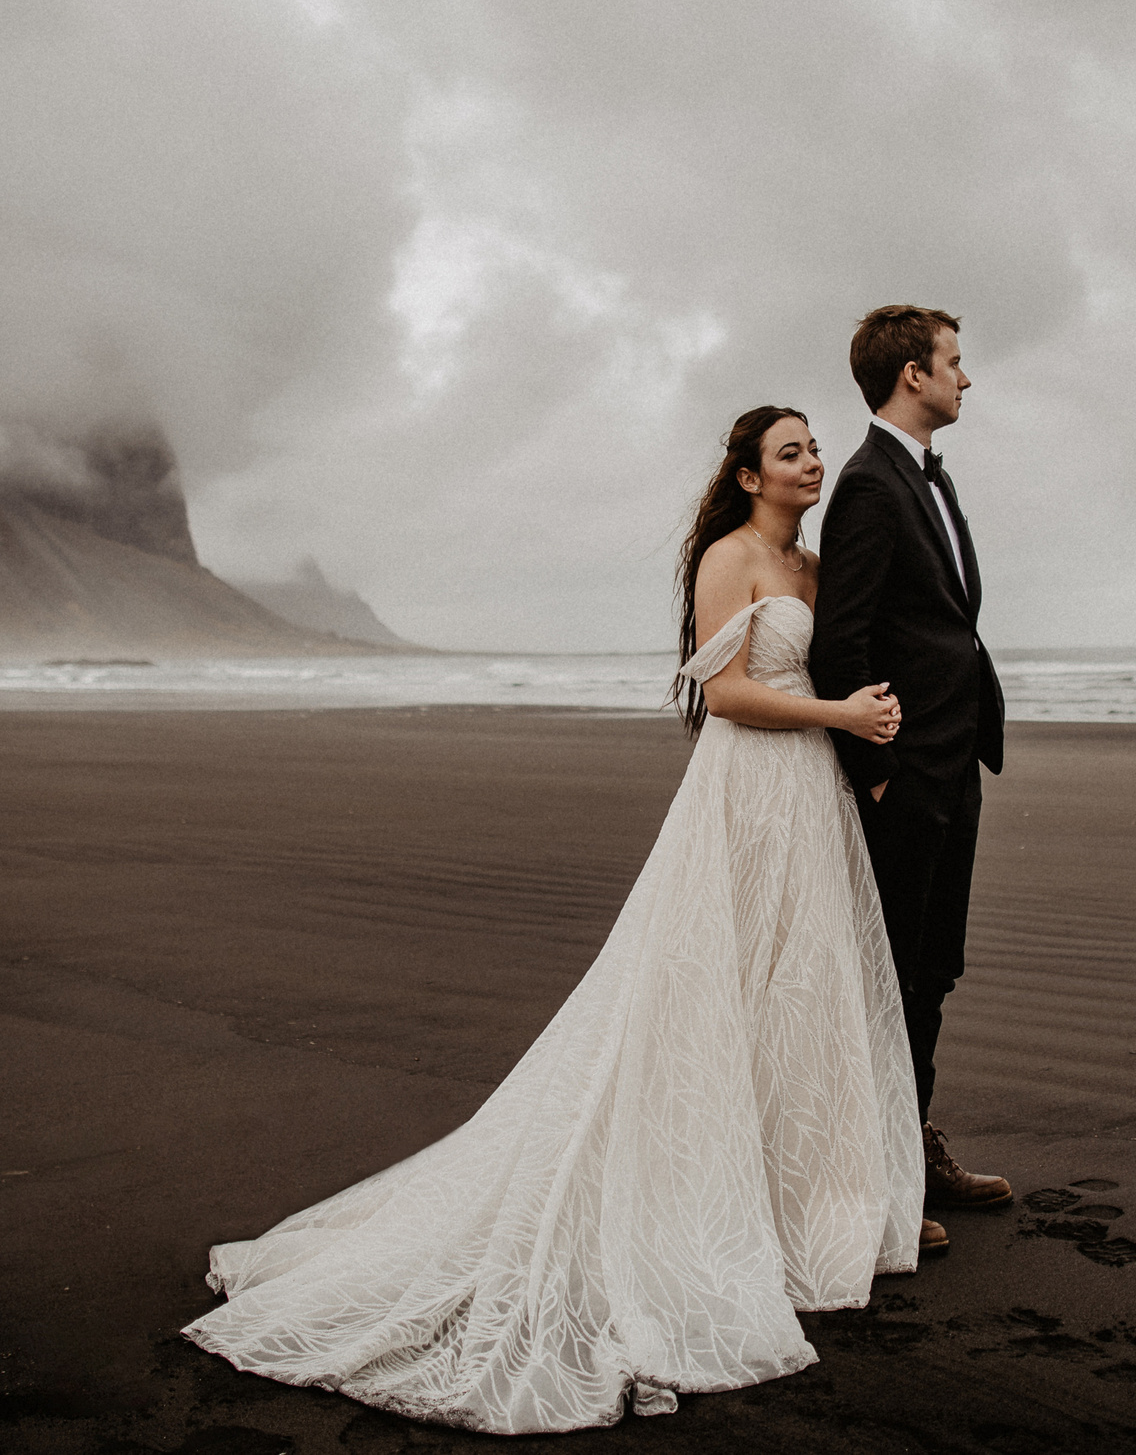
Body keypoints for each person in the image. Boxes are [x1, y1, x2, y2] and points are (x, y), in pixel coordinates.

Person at [183, 406, 922, 1434]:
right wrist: (841, 717)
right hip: (747, 790)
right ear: (750, 476)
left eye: (811, 450)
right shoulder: (732, 557)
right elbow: (728, 694)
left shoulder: (810, 569)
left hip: (811, 803)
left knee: (794, 987)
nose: (811, 463)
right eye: (790, 453)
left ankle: (795, 1207)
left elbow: (840, 656)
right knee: (713, 979)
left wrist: (868, 737)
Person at [808, 305, 1013, 1226]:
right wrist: (879, 771)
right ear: (912, 376)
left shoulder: (928, 476)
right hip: (906, 771)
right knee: (893, 969)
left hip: (952, 763)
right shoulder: (867, 485)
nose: (966, 379)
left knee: (934, 967)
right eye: (955, 363)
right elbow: (840, 646)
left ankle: (914, 1143)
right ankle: (880, 1175)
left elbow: (946, 622)